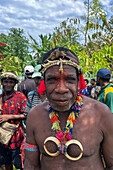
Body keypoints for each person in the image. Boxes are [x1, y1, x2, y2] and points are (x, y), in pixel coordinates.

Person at [24, 47, 113, 170]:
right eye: (52, 79)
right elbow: (31, 165)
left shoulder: (101, 114)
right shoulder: (35, 116)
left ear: (78, 82)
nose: (61, 89)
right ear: (43, 82)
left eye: (69, 80)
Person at [0, 71, 27, 170]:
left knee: (20, 164)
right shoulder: (0, 97)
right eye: (5, 82)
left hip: (16, 137)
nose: (8, 84)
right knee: (4, 163)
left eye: (11, 82)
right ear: (2, 83)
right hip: (2, 137)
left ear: (15, 84)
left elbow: (26, 115)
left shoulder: (20, 97)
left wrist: (8, 117)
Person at [23, 64, 46, 135]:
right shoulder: (31, 95)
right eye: (35, 79)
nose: (37, 82)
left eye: (39, 78)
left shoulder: (54, 97)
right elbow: (26, 115)